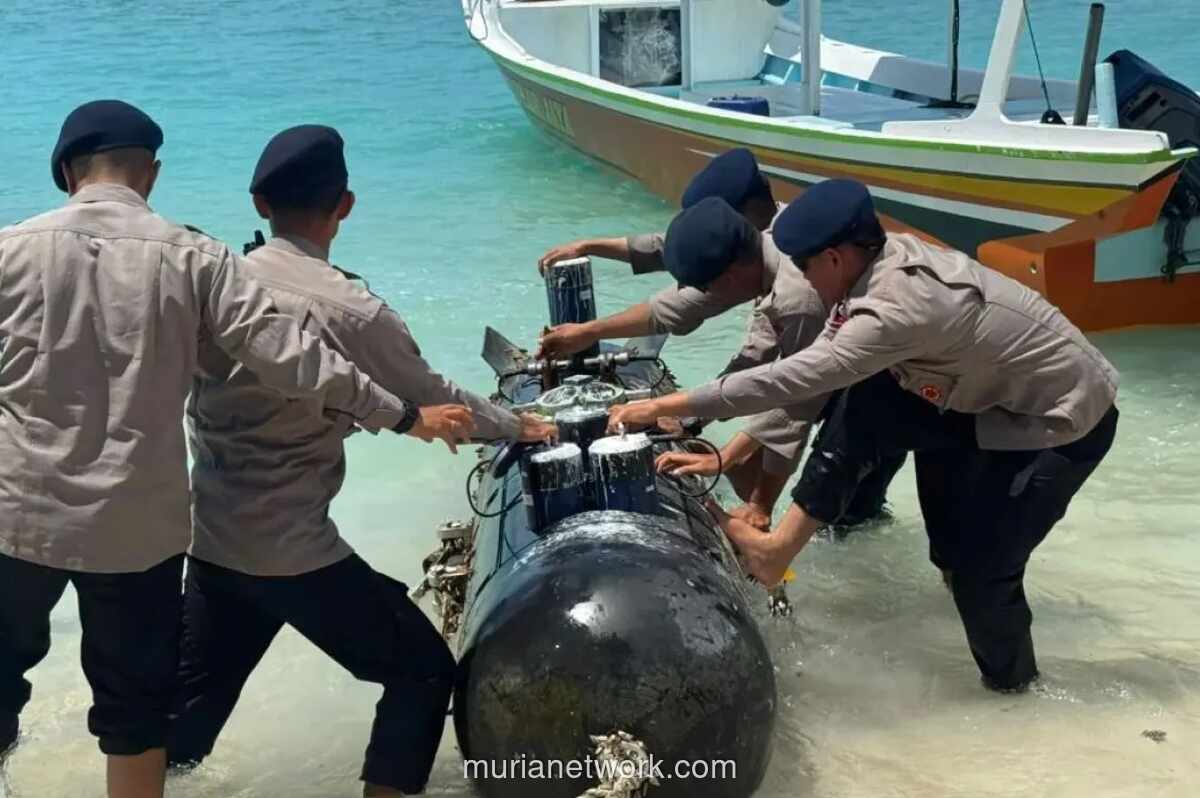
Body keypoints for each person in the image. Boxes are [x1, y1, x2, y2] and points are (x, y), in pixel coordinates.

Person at [0, 101, 462, 798]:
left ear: (67, 172)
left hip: (14, 517)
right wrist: (402, 417)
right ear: (150, 176)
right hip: (136, 534)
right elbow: (294, 360)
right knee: (136, 720)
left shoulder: (9, 249)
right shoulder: (198, 259)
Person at [165, 125, 556, 797]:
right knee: (422, 672)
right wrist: (521, 424)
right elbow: (438, 403)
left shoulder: (217, 284)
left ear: (260, 204)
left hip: (211, 541)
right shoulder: (352, 311)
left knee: (181, 730)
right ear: (344, 206)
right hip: (295, 553)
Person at [609, 178, 1120, 693]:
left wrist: (665, 404)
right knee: (873, 406)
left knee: (982, 572)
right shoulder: (873, 268)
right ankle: (783, 547)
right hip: (977, 399)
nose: (803, 279)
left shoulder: (893, 308)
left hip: (1059, 423)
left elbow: (795, 378)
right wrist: (729, 453)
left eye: (806, 267)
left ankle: (1016, 695)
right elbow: (808, 391)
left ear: (833, 257)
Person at [542, 194, 903, 529]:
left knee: (849, 506)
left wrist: (757, 501)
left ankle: (855, 528)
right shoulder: (758, 249)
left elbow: (797, 400)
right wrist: (591, 331)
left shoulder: (799, 300)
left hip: (894, 381)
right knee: (788, 474)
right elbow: (752, 357)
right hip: (846, 363)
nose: (705, 298)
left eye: (707, 288)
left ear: (729, 276)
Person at [536, 147, 780, 276]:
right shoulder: (758, 231)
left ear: (748, 210)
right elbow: (662, 248)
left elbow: (682, 308)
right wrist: (587, 246)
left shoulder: (780, 261)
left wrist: (591, 332)